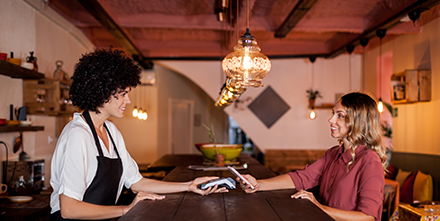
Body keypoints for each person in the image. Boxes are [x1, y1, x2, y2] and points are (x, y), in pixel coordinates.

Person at [49, 48, 228, 220]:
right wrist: (126, 209)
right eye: (123, 94)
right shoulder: (77, 135)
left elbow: (136, 182)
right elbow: (69, 209)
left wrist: (189, 186)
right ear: (101, 92)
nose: (128, 100)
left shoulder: (111, 132)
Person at [238, 92, 387, 221]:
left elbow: (367, 217)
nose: (331, 120)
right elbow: (301, 178)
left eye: (340, 115)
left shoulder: (369, 160)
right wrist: (258, 184)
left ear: (358, 122)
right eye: (333, 113)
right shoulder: (333, 154)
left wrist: (319, 207)